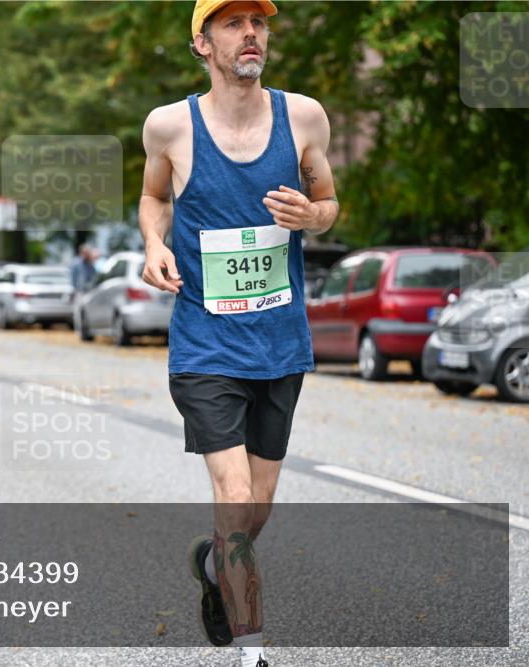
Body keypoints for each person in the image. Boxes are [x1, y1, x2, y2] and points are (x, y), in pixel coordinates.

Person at [139, 2, 339, 666]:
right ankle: (251, 649)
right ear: (202, 43)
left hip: (280, 341)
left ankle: (215, 566)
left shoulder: (304, 116)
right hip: (205, 345)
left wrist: (313, 214)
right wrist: (152, 244)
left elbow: (330, 203)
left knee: (256, 509)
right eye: (232, 22)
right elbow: (153, 197)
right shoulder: (170, 126)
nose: (250, 32)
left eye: (258, 20)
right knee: (231, 493)